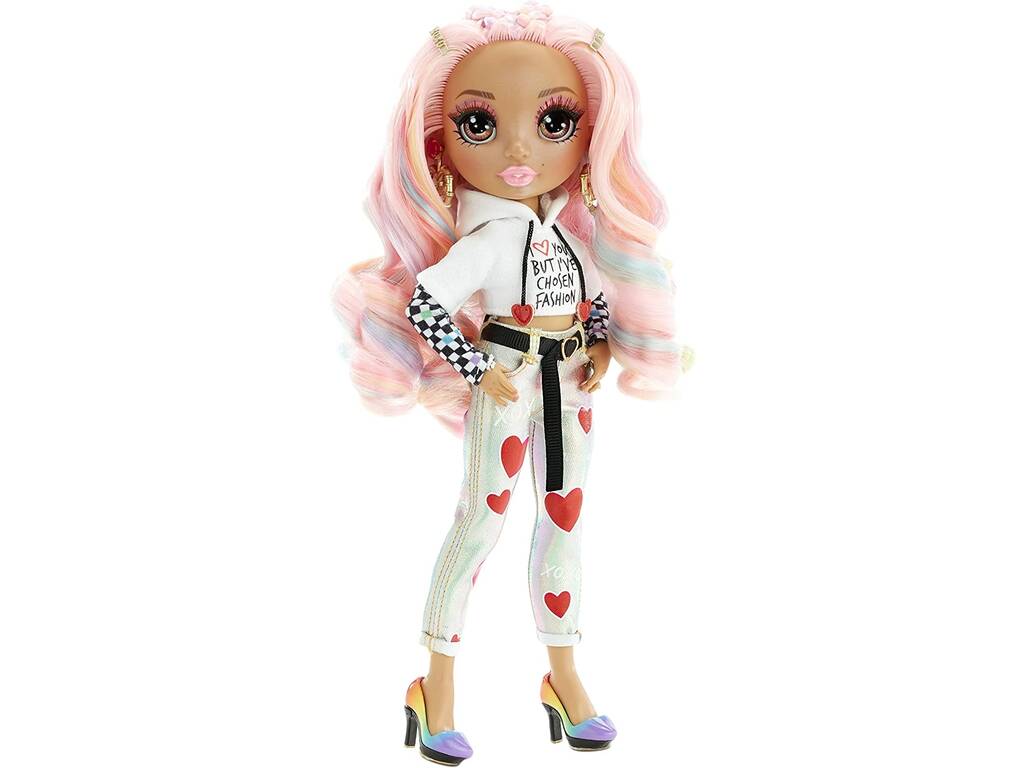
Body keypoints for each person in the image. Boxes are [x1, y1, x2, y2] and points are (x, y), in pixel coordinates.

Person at [333, 4, 687, 763]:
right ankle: (436, 684)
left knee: (564, 521)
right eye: (480, 124)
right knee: (481, 522)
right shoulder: (489, 238)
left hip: (571, 390)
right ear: (438, 140)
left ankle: (565, 675)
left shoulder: (570, 235)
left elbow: (591, 297)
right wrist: (476, 369)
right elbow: (426, 304)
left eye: (555, 121)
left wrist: (599, 344)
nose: (521, 147)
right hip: (510, 383)